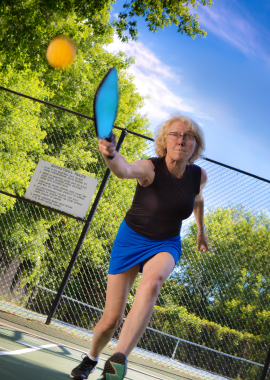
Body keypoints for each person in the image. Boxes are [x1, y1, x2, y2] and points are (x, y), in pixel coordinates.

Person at [70, 114, 209, 380]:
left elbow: (198, 201)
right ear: (164, 142)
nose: (181, 140)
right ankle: (91, 358)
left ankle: (118, 359)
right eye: (175, 134)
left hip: (167, 242)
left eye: (188, 136)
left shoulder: (198, 176)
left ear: (195, 146)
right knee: (111, 319)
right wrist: (110, 154)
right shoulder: (150, 168)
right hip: (131, 239)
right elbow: (123, 169)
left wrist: (201, 231)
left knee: (153, 282)